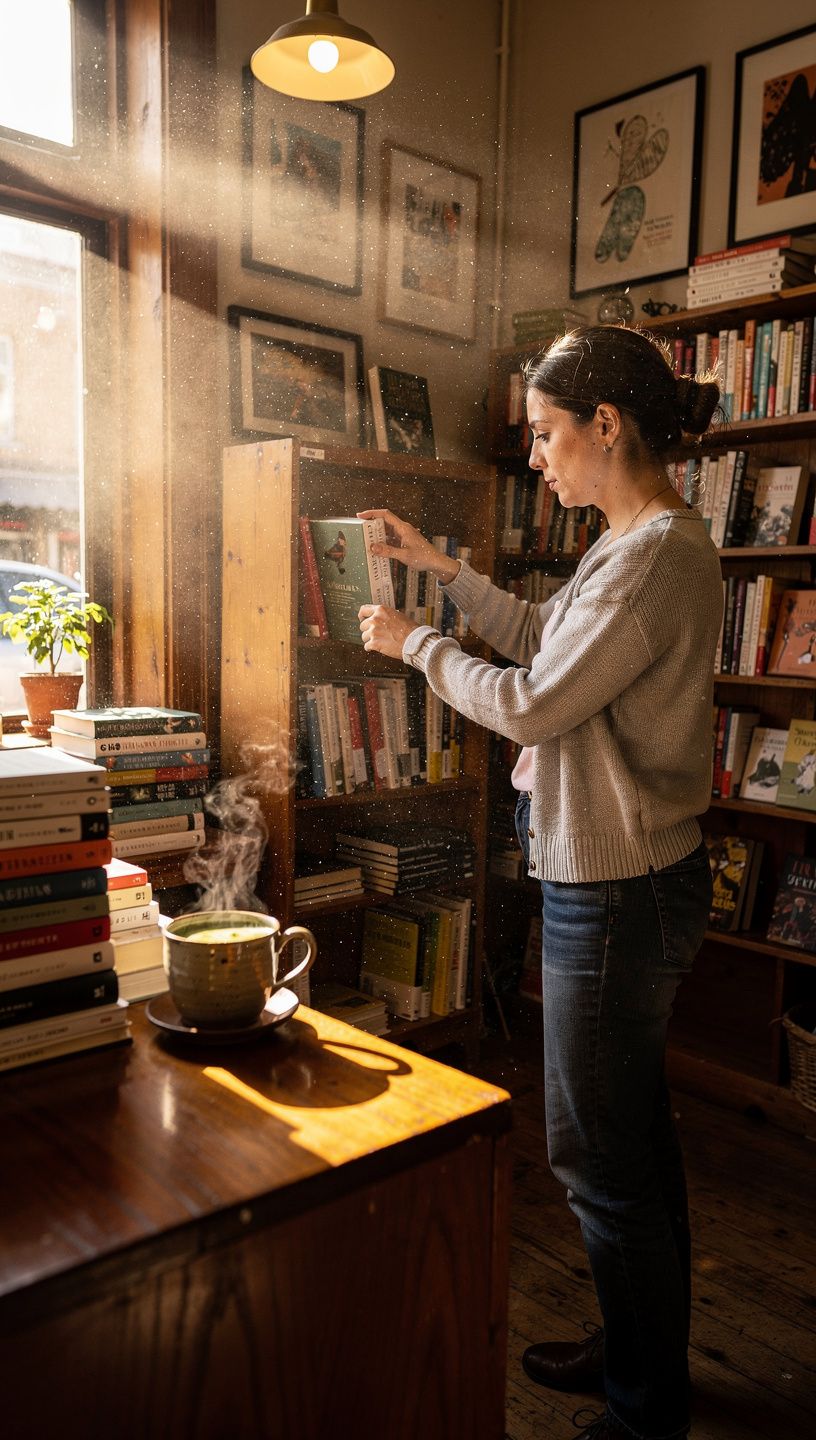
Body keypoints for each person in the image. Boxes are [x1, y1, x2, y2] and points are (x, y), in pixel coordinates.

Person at [357, 324, 723, 1440]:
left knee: (598, 1155)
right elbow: (539, 639)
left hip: (618, 892)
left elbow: (529, 703)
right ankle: (641, 1353)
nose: (536, 457)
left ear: (605, 425)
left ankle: (644, 1413)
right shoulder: (631, 546)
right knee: (631, 1142)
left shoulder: (653, 557)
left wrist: (414, 644)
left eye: (546, 433)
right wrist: (446, 572)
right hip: (626, 882)